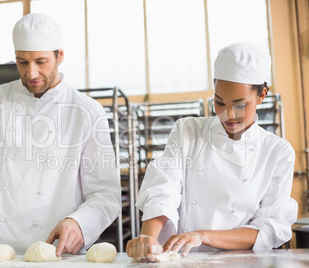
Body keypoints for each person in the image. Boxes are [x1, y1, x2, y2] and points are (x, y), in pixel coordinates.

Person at [0, 13, 121, 261]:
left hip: (59, 254)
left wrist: (79, 223)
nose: (31, 72)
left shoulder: (87, 112)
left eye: (41, 61)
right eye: (22, 62)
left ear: (60, 56)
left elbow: (105, 192)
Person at [126, 42, 298, 261]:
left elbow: (269, 227)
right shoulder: (188, 130)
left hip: (240, 263)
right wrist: (147, 239)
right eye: (219, 102)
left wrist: (203, 235)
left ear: (262, 95)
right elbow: (163, 188)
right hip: (183, 260)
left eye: (239, 105)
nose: (228, 114)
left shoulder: (277, 151)